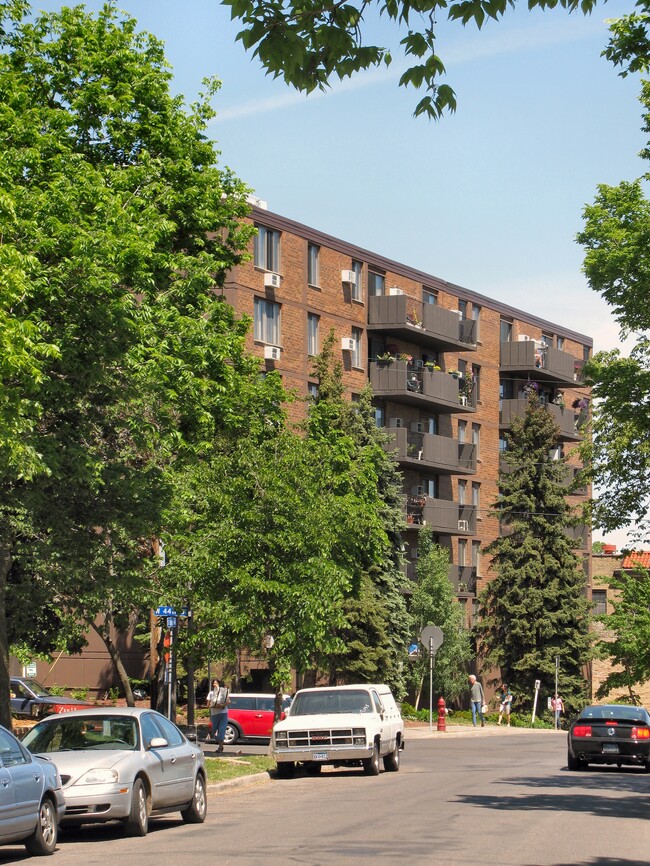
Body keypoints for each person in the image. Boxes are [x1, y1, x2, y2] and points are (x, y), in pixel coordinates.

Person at [206, 677, 230, 753]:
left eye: (216, 683)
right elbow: (208, 705)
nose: (214, 684)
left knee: (222, 730)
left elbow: (228, 701)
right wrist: (212, 706)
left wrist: (222, 705)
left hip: (223, 713)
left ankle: (220, 747)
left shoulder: (223, 692)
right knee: (213, 731)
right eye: (213, 683)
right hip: (214, 714)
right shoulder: (211, 693)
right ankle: (213, 735)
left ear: (219, 684)